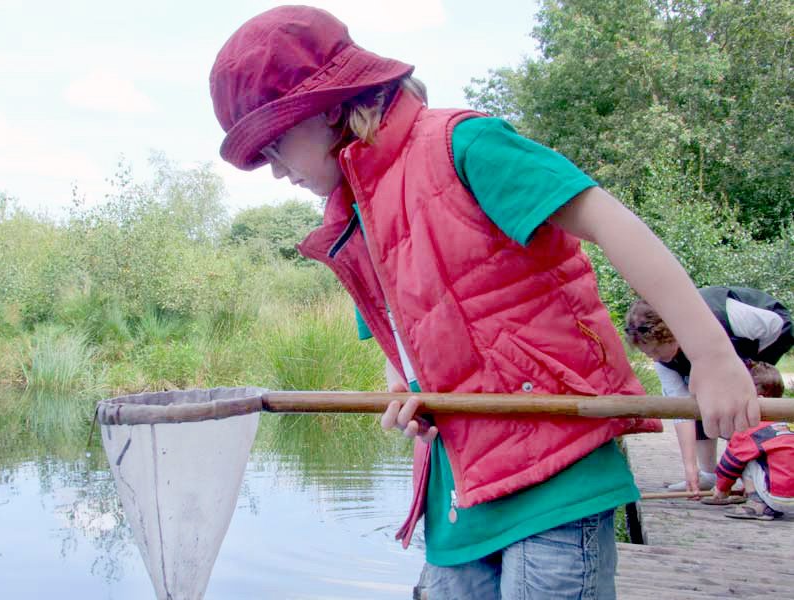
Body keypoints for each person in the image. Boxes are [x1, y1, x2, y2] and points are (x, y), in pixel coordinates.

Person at [209, 6, 759, 598]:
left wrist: (713, 357)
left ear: (330, 106)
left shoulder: (462, 144)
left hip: (557, 475)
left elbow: (614, 223)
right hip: (459, 501)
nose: (274, 171)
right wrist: (408, 393)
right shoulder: (352, 218)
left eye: (275, 144)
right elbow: (406, 348)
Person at [625, 287, 793, 493]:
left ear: (672, 337)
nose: (654, 358)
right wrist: (689, 469)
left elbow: (775, 325)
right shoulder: (663, 361)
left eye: (656, 351)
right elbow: (681, 411)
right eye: (647, 354)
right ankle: (707, 474)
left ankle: (757, 473)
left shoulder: (723, 316)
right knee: (700, 397)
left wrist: (750, 367)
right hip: (713, 350)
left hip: (768, 334)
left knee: (739, 401)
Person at [703, 362, 792, 521]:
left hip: (781, 497)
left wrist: (722, 490)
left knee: (744, 457)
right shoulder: (788, 422)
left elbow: (729, 464)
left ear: (757, 399)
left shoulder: (750, 429)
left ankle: (758, 504)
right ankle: (763, 494)